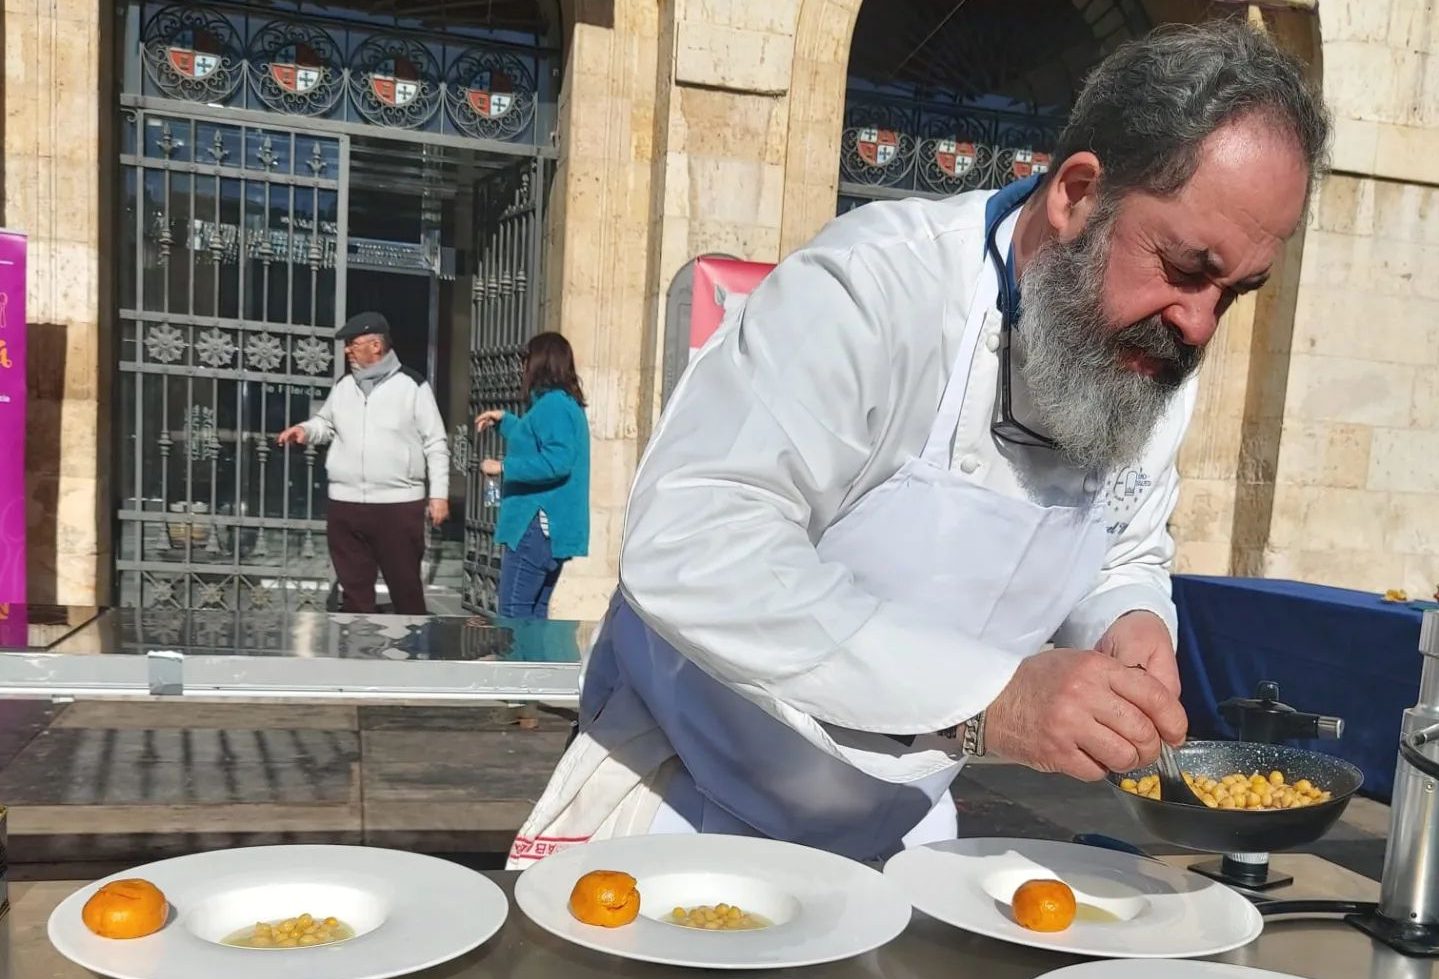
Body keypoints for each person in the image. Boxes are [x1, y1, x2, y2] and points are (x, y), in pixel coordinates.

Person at [506, 21, 1331, 869]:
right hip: (692, 798)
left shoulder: (1153, 357)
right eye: (1185, 267)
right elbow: (694, 539)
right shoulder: (875, 290)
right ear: (1077, 191)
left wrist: (1127, 621)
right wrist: (991, 697)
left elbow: (1124, 540)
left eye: (1235, 291)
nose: (1198, 322)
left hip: (900, 828)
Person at [277, 311, 450, 615]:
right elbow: (325, 423)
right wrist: (305, 430)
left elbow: (436, 442)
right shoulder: (344, 386)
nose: (347, 350)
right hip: (346, 504)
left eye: (353, 344)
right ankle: (358, 654)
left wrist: (439, 495)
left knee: (406, 591)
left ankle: (412, 655)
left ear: (376, 346)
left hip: (397, 506)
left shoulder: (413, 386)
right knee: (355, 594)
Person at [475, 332, 591, 619]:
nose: (521, 367)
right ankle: (532, 664)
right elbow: (535, 441)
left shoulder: (553, 405)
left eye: (525, 359)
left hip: (536, 524)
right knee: (534, 614)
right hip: (547, 527)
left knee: (514, 613)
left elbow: (558, 460)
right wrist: (505, 421)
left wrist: (502, 468)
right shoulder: (559, 404)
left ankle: (516, 665)